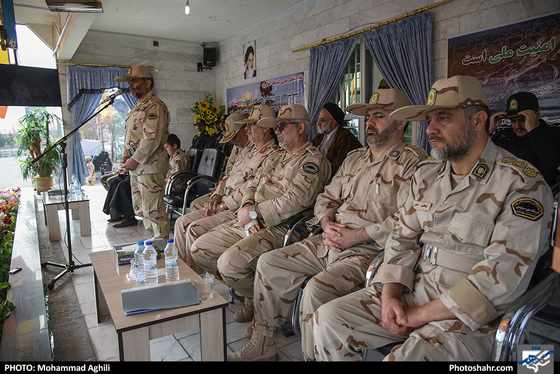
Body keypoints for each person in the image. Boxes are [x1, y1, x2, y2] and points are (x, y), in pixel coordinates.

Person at [310, 76, 553, 361]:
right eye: (429, 119)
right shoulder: (427, 174)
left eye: (443, 118)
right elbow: (401, 239)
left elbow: (500, 281)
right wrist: (390, 295)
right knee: (327, 319)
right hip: (414, 291)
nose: (431, 129)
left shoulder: (521, 183)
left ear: (478, 121)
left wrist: (418, 315)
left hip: (474, 317)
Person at [228, 89, 428, 361]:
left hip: (368, 252)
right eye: (368, 116)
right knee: (270, 263)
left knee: (315, 290)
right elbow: (326, 197)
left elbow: (407, 221)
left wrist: (355, 236)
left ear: (401, 123)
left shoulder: (414, 164)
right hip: (327, 240)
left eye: (378, 116)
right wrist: (325, 220)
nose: (370, 122)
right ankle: (264, 342)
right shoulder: (355, 158)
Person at [190, 104, 331, 324]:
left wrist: (255, 213)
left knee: (228, 263)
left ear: (301, 128)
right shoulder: (277, 157)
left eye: (282, 126)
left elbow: (295, 200)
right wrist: (247, 207)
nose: (277, 131)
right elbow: (252, 185)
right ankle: (253, 297)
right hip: (253, 220)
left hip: (283, 228)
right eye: (276, 126)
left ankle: (267, 311)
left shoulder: (312, 161)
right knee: (200, 249)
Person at [174, 107, 278, 269]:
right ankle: (184, 271)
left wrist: (224, 204)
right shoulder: (247, 151)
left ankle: (194, 275)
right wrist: (216, 196)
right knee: (181, 222)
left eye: (251, 125)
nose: (247, 129)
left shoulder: (271, 155)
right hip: (225, 200)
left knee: (192, 228)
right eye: (246, 125)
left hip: (236, 208)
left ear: (266, 128)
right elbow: (227, 176)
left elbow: (249, 189)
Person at [115, 65, 170, 239]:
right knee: (142, 209)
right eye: (129, 81)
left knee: (154, 211)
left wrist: (134, 159)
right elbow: (130, 135)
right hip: (137, 166)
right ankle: (154, 246)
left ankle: (162, 248)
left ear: (147, 83)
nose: (130, 85)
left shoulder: (154, 106)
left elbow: (151, 138)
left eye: (134, 80)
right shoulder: (138, 106)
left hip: (150, 165)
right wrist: (126, 155)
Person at [490, 91, 560, 187]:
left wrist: (533, 131)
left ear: (537, 115)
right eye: (513, 121)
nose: (518, 126)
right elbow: (479, 160)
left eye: (523, 120)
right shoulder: (501, 136)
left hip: (535, 195)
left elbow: (550, 163)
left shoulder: (553, 135)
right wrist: (487, 132)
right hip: (499, 193)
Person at [312, 102, 362, 166]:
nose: (318, 123)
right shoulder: (320, 136)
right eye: (318, 120)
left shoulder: (346, 138)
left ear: (333, 123)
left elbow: (338, 166)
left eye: (321, 120)